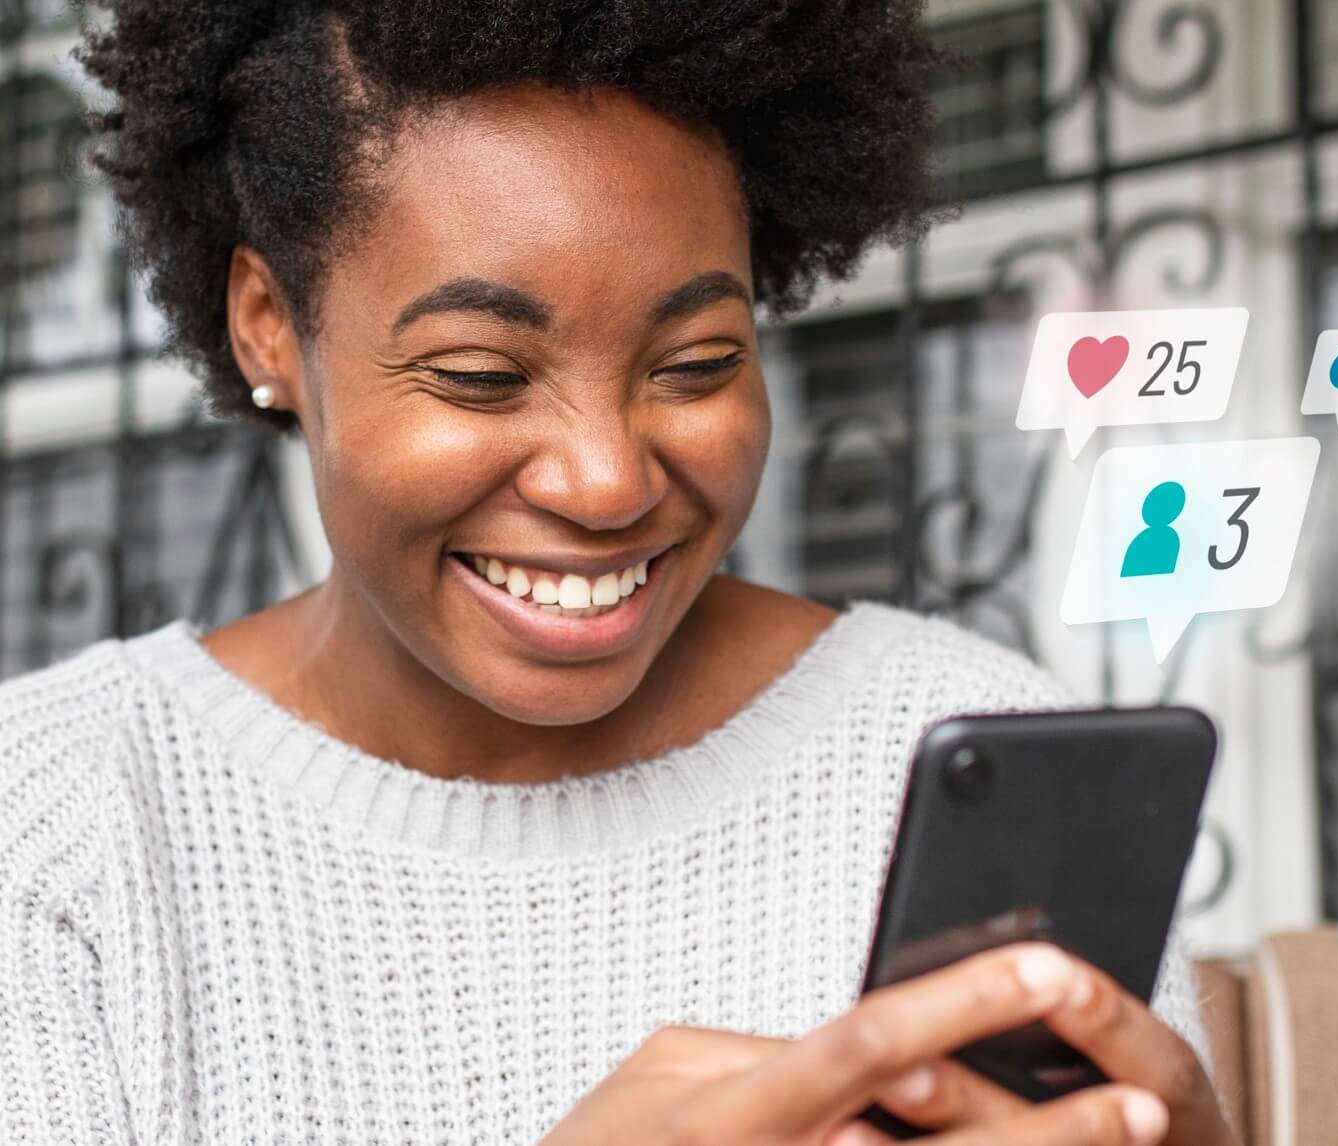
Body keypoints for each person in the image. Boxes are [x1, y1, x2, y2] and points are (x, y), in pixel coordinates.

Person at [0, 2, 1237, 1143]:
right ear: (269, 322)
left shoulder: (964, 741)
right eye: (480, 375)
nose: (606, 484)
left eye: (698, 363)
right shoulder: (54, 833)